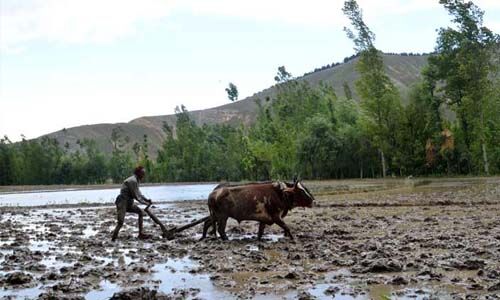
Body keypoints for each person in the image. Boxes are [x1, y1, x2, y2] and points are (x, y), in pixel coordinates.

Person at [111, 166, 153, 241]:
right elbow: (136, 196)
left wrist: (147, 200)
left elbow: (139, 193)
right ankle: (113, 239)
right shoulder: (132, 181)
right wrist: (145, 203)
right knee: (120, 222)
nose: (144, 175)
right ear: (138, 173)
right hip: (122, 202)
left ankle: (140, 234)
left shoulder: (136, 181)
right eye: (143, 173)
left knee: (140, 212)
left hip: (129, 202)